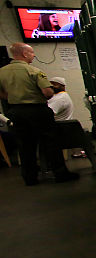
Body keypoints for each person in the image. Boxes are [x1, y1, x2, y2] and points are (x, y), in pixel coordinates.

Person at [0, 43, 78, 185]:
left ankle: (30, 177)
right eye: (31, 53)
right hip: (37, 110)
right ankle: (60, 173)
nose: (34, 55)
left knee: (25, 145)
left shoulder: (2, 72)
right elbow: (48, 93)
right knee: (51, 142)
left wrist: (13, 97)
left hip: (16, 111)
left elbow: (1, 93)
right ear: (24, 54)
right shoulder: (34, 71)